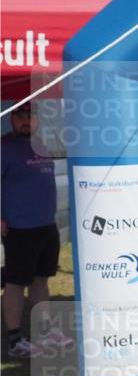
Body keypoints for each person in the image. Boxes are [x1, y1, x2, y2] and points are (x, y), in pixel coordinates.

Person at [1, 103, 72, 358]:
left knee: (41, 280)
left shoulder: (41, 145)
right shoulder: (4, 147)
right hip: (20, 227)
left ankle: (45, 331)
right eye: (21, 115)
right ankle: (15, 340)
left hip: (46, 224)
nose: (26, 121)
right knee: (15, 283)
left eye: (31, 115)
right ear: (12, 119)